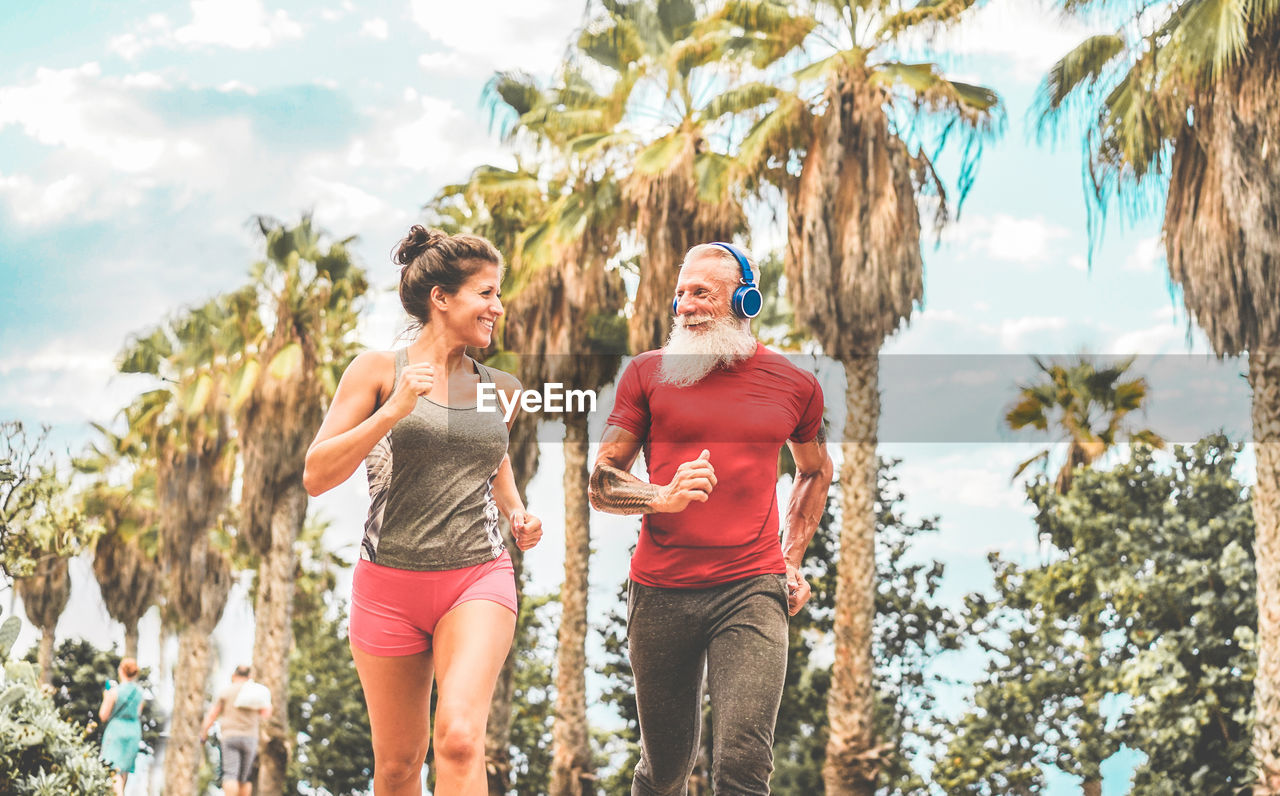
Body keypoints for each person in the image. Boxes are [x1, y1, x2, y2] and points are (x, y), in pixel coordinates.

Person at [303, 225, 543, 795]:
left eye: (498, 294)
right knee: (397, 767)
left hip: (476, 576)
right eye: (485, 293)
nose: (497, 307)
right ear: (441, 298)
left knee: (459, 738)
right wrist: (392, 411)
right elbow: (316, 474)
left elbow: (490, 459)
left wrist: (515, 511)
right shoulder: (377, 371)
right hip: (388, 586)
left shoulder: (500, 387)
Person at [589, 242, 834, 795]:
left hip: (751, 587)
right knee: (666, 769)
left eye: (702, 292)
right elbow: (601, 481)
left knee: (744, 764)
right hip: (660, 593)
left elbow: (816, 471)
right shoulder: (647, 375)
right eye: (680, 294)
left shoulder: (795, 385)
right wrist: (661, 496)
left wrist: (790, 559)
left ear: (744, 300)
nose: (685, 306)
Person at [199, 664, 272, 796]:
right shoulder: (255, 692)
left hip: (230, 737)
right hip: (250, 738)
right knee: (245, 777)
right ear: (249, 676)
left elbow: (211, 715)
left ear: (234, 676)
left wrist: (203, 735)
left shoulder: (226, 692)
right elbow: (266, 713)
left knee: (230, 774)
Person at [99, 657, 144, 796]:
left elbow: (103, 715)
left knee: (114, 769)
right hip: (134, 732)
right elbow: (138, 713)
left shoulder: (114, 691)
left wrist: (106, 696)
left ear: (121, 671)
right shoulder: (140, 693)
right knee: (123, 770)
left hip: (116, 731)